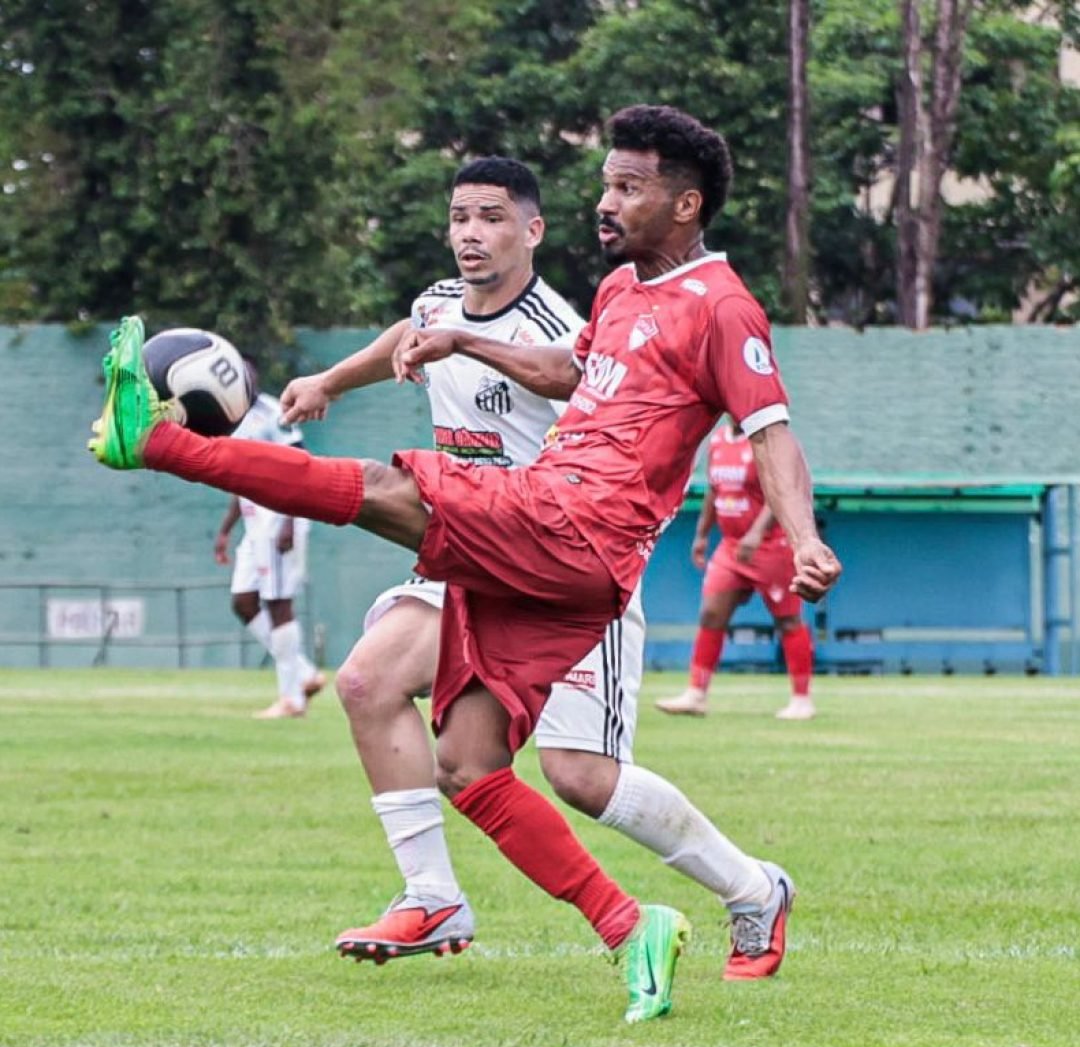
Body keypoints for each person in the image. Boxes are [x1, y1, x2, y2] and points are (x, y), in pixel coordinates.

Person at [87, 104, 842, 1023]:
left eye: (627, 187)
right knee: (467, 762)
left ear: (686, 205)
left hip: (575, 530)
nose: (604, 201)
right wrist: (455, 341)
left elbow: (769, 429)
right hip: (532, 545)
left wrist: (802, 536)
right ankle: (623, 924)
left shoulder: (723, 307)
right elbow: (572, 375)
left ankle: (155, 444)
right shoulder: (617, 292)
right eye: (605, 183)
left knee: (389, 505)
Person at [280, 156, 800, 984]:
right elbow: (407, 335)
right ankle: (432, 894)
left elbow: (618, 429)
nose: (470, 235)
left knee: (579, 777)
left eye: (490, 218)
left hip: (561, 569)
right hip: (469, 551)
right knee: (367, 683)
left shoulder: (562, 326)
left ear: (532, 231)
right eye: (458, 218)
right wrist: (329, 381)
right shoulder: (440, 305)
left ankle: (752, 888)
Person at [658, 420, 815, 721]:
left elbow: (780, 491)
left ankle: (801, 699)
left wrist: (756, 533)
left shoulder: (766, 439)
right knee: (711, 613)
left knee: (788, 620)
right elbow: (713, 492)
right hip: (731, 546)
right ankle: (696, 694)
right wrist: (702, 534)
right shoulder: (718, 441)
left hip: (770, 546)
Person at [213, 391, 326, 719]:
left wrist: (290, 522)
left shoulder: (274, 412)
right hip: (253, 523)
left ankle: (292, 699)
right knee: (243, 602)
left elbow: (303, 466)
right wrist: (225, 530)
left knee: (279, 604)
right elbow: (241, 478)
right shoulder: (232, 415)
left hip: (279, 517)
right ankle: (304, 673)